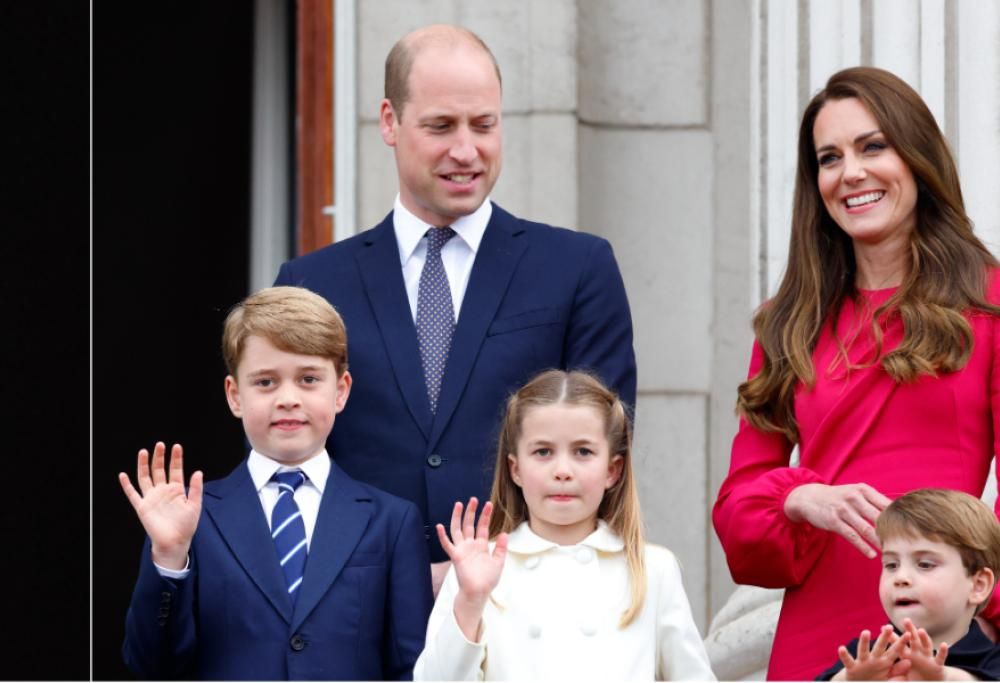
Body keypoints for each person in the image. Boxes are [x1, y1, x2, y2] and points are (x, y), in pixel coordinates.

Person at [273, 24, 636, 593]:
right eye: (441, 126)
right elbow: (285, 466)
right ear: (390, 122)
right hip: (359, 618)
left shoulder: (577, 268)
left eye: (484, 125)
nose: (466, 150)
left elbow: (603, 455)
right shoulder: (312, 283)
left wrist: (490, 573)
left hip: (529, 613)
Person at [712, 65, 1000, 680]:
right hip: (820, 635)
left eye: (873, 147)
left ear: (917, 157)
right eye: (829, 158)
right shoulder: (787, 322)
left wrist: (978, 599)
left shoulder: (991, 305)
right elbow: (738, 513)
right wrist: (799, 496)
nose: (852, 173)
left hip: (947, 640)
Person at [118, 286, 433, 680]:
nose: (287, 398)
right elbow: (150, 666)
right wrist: (168, 560)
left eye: (308, 379)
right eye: (265, 382)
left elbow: (413, 667)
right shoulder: (192, 518)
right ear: (235, 396)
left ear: (341, 390)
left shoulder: (391, 521)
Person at [413, 370, 715, 681]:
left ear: (613, 470)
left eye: (583, 452)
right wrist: (471, 601)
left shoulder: (652, 569)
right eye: (543, 452)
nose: (562, 471)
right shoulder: (478, 570)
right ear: (515, 469)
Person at [817, 488, 1000, 681]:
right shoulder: (864, 658)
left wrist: (948, 678)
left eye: (925, 565)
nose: (900, 577)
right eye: (891, 565)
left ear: (978, 585)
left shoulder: (993, 662)